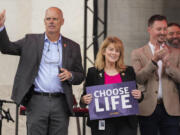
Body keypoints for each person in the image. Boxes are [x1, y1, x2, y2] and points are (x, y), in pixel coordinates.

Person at [0, 7, 84, 135]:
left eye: (55, 19)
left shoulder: (73, 46)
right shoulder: (30, 41)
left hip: (61, 103)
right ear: (44, 21)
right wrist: (1, 27)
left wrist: (70, 75)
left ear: (62, 21)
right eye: (48, 19)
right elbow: (7, 48)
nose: (51, 22)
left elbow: (80, 75)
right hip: (37, 101)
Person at [80, 36, 143, 135]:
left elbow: (136, 96)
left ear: (120, 54)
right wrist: (84, 100)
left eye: (117, 51)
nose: (114, 53)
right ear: (104, 51)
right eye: (111, 49)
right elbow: (83, 99)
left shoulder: (128, 71)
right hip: (102, 122)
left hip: (125, 123)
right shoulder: (93, 72)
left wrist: (139, 95)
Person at [131, 15, 180, 135]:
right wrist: (154, 61)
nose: (163, 32)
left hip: (171, 108)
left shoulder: (177, 53)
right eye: (159, 29)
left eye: (165, 29)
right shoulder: (137, 53)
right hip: (147, 108)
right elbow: (138, 78)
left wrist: (168, 65)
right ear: (149, 29)